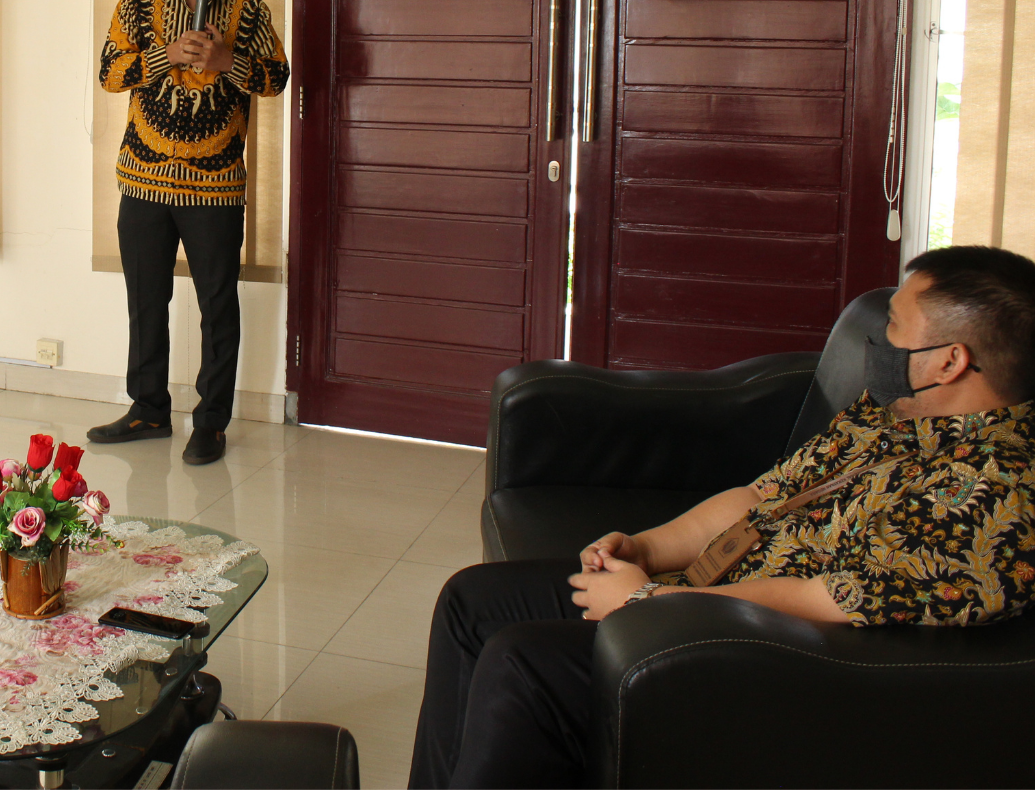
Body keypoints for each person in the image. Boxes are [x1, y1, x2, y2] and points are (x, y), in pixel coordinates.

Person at [409, 244, 1035, 789]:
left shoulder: (991, 495)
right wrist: (647, 550)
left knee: (522, 662)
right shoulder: (895, 412)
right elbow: (760, 498)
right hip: (694, 597)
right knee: (473, 601)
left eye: (894, 325)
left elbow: (824, 603)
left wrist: (649, 605)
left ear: (950, 361)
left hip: (755, 661)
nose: (880, 341)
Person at [88, 0, 289, 465]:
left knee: (217, 306)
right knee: (146, 300)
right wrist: (165, 54)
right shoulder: (138, 1)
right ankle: (148, 409)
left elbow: (277, 77)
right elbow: (109, 73)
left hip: (216, 185)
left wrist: (228, 62)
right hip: (144, 180)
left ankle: (211, 423)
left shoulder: (248, 8)